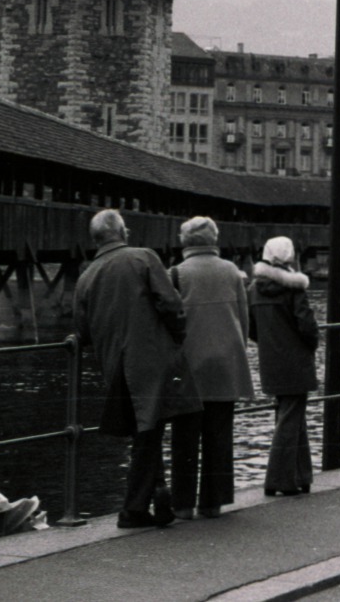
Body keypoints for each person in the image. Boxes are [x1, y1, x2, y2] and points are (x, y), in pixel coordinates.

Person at [72, 208, 198, 528]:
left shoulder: (86, 277)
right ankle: (136, 507)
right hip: (151, 357)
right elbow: (171, 305)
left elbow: (83, 331)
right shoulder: (143, 258)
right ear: (122, 232)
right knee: (151, 428)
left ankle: (154, 495)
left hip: (114, 366)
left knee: (144, 430)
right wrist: (177, 338)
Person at [168, 216, 254, 519]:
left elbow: (169, 324)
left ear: (185, 241)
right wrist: (236, 350)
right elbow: (243, 320)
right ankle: (212, 502)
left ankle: (182, 505)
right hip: (224, 365)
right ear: (214, 239)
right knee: (219, 438)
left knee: (184, 439)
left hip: (189, 368)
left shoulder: (176, 274)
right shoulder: (232, 271)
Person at [246, 236, 319, 498]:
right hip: (296, 361)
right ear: (290, 257)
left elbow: (250, 327)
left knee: (290, 415)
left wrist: (268, 343)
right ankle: (278, 479)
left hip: (271, 361)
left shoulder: (253, 289)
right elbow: (307, 326)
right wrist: (311, 344)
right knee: (291, 418)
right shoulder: (294, 289)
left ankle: (301, 476)